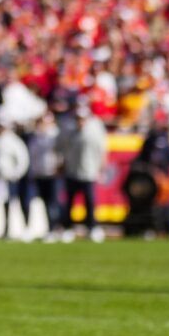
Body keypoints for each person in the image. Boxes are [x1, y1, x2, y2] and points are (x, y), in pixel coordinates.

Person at [60, 103, 108, 241]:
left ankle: (92, 227)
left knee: (90, 202)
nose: (80, 121)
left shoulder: (94, 133)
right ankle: (68, 228)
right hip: (73, 172)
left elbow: (102, 152)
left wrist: (101, 169)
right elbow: (64, 151)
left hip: (89, 172)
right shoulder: (70, 133)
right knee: (70, 203)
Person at [25, 111, 64, 240]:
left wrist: (59, 166)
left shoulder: (55, 135)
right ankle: (47, 228)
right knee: (43, 203)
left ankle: (56, 228)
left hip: (52, 173)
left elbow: (60, 153)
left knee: (53, 202)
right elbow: (32, 155)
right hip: (39, 173)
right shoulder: (35, 136)